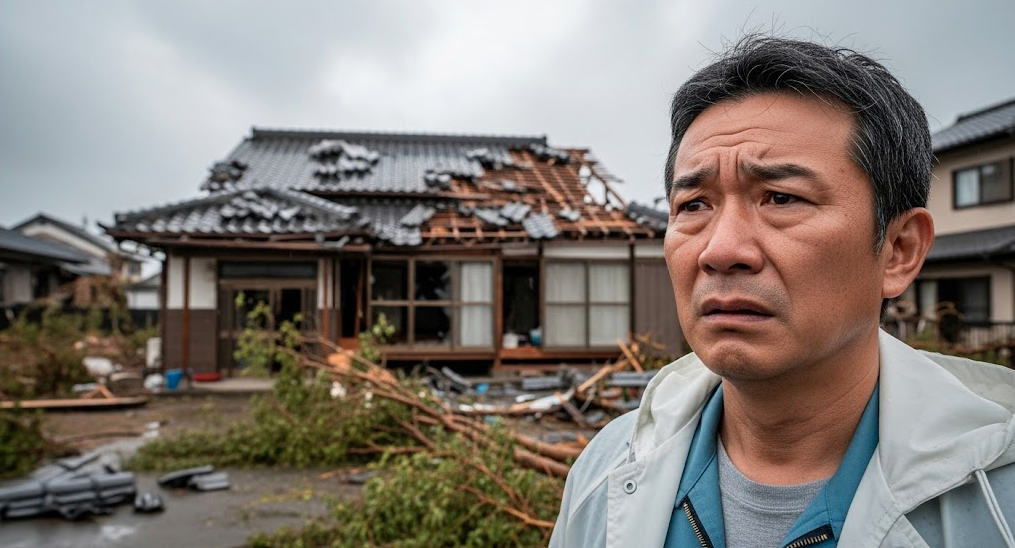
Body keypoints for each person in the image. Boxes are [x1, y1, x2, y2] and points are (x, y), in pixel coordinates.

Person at [549, 35, 1015, 548]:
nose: (720, 250)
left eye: (781, 197)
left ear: (899, 249)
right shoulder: (606, 469)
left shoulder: (998, 497)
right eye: (694, 205)